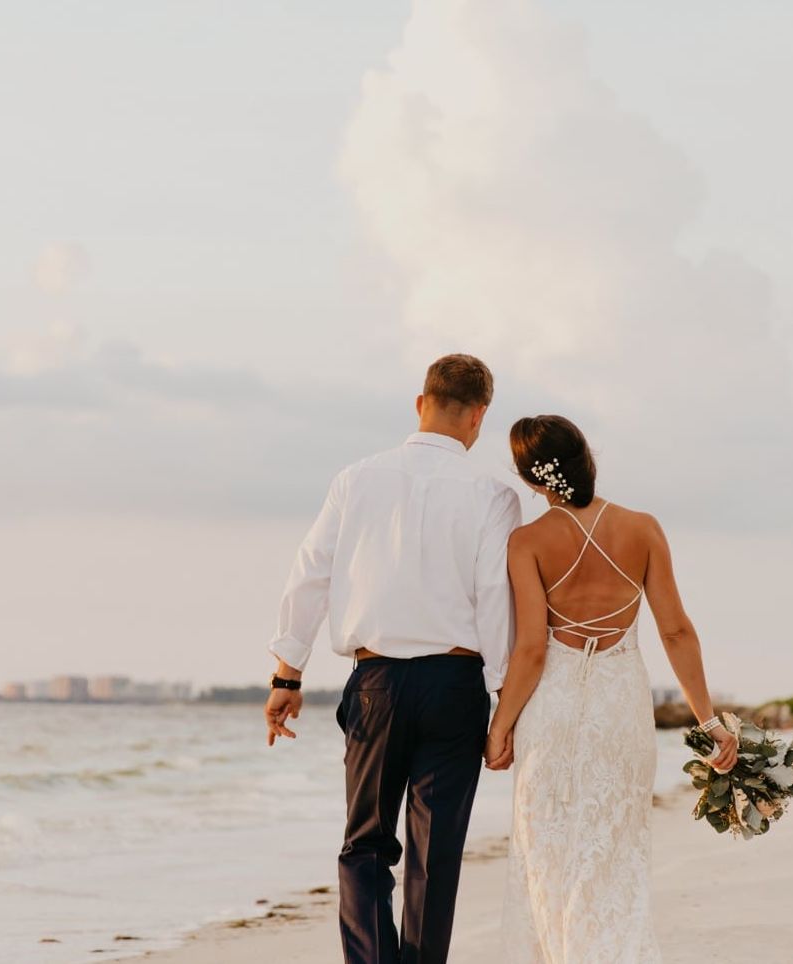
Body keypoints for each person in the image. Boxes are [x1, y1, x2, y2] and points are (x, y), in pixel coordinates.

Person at [264, 354, 522, 964]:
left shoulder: (356, 479)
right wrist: (504, 703)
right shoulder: (492, 496)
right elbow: (495, 602)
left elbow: (311, 575)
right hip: (457, 685)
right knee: (436, 858)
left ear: (419, 402)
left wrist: (287, 673)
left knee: (365, 845)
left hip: (375, 682)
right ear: (480, 415)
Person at [487, 415, 738, 963]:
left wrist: (500, 726)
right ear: (585, 458)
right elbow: (676, 630)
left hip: (550, 707)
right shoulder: (642, 528)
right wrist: (709, 720)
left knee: (547, 851)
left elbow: (531, 649)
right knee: (615, 851)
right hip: (620, 702)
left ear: (532, 480)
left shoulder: (525, 542)